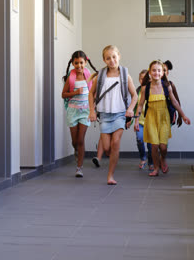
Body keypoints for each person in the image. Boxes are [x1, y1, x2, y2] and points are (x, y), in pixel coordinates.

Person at [88, 45, 138, 185]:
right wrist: (92, 111)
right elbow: (91, 94)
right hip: (104, 115)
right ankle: (111, 159)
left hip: (120, 114)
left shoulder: (125, 75)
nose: (112, 60)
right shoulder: (100, 76)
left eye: (114, 57)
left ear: (119, 56)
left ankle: (110, 175)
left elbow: (135, 95)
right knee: (108, 148)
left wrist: (130, 109)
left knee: (115, 143)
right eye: (108, 58)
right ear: (104, 60)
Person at [134, 60, 191, 177]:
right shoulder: (146, 88)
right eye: (154, 70)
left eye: (159, 70)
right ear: (150, 72)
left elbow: (174, 102)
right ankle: (155, 168)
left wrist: (183, 115)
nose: (156, 73)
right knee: (154, 146)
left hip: (164, 119)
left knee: (163, 147)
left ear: (163, 73)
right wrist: (136, 120)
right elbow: (140, 104)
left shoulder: (167, 86)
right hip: (151, 120)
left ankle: (163, 159)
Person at [61, 50, 98, 178]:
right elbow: (63, 94)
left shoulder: (90, 77)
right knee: (75, 141)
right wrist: (75, 93)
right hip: (73, 111)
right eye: (76, 63)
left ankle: (79, 168)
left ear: (86, 62)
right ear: (72, 63)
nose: (79, 66)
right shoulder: (70, 78)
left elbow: (93, 94)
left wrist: (94, 108)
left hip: (85, 111)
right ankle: (76, 150)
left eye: (81, 63)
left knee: (81, 140)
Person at [132, 70, 153, 170]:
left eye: (146, 78)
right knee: (140, 139)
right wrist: (134, 121)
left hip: (151, 122)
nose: (143, 80)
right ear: (139, 80)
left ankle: (151, 161)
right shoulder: (137, 91)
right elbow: (136, 107)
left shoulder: (152, 89)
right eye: (141, 78)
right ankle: (143, 158)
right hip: (140, 121)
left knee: (150, 144)